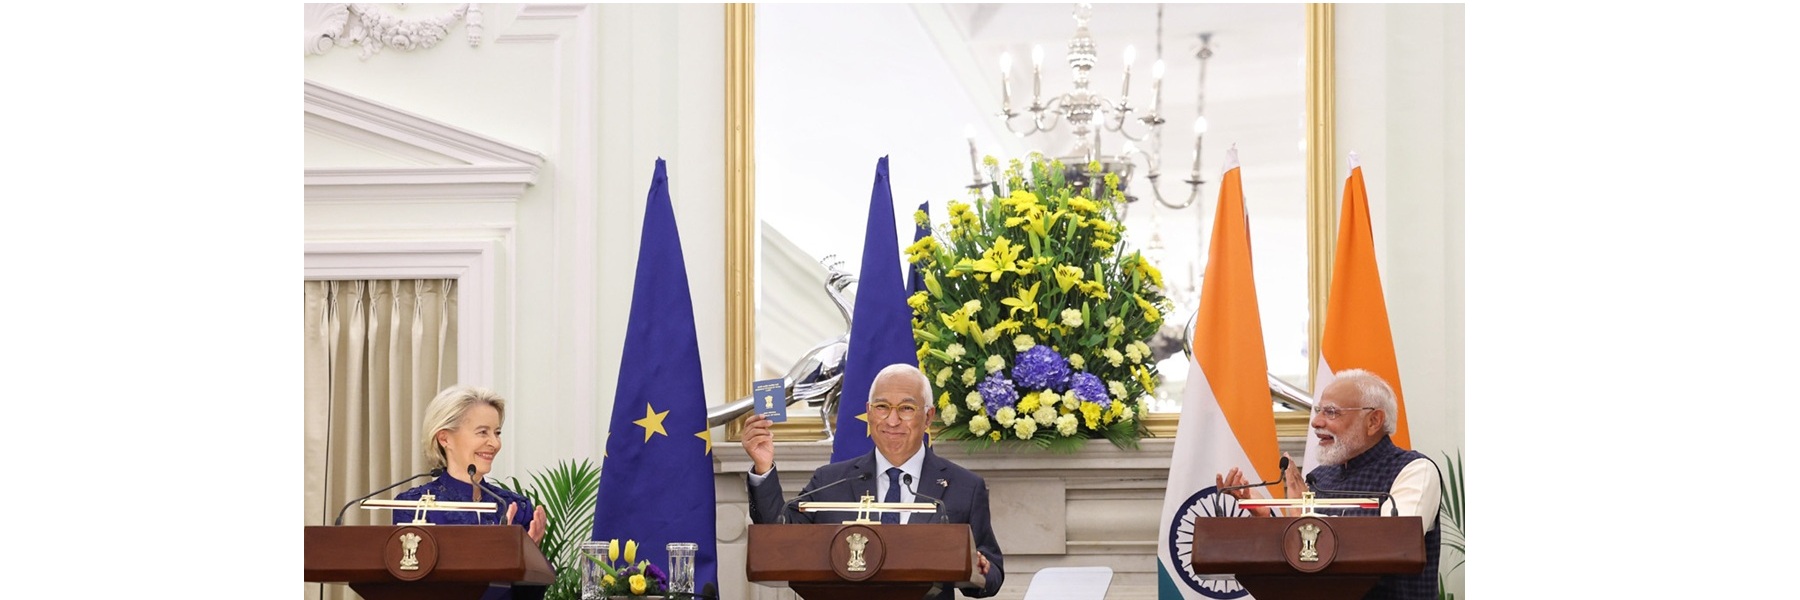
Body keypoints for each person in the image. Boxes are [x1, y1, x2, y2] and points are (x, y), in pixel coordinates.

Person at [741, 363, 1004, 599]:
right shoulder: (830, 480)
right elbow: (779, 536)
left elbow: (992, 571)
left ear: (928, 416)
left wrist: (981, 568)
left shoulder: (965, 486)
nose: (892, 420)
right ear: (869, 412)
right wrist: (763, 467)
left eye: (906, 408)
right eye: (882, 407)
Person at [1216, 369, 1442, 600]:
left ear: (1374, 421)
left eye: (1331, 412)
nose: (1316, 422)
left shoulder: (1413, 470)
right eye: (1318, 411)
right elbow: (1305, 556)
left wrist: (1304, 518)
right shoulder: (1320, 477)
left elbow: (1392, 545)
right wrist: (1267, 520)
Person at [394, 385, 550, 599]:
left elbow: (529, 596)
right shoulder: (414, 506)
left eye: (497, 433)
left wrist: (528, 560)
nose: (494, 443)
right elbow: (413, 589)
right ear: (444, 438)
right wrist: (499, 557)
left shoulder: (516, 507)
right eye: (482, 432)